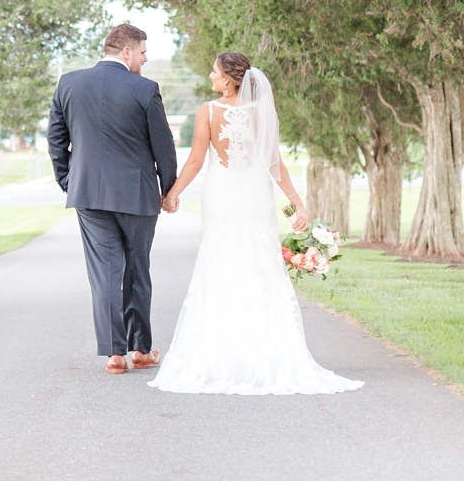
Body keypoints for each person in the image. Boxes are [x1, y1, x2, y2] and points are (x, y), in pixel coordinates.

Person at [149, 51, 363, 395]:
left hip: (221, 196)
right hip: (254, 196)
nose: (210, 75)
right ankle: (265, 353)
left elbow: (195, 161)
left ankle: (221, 356)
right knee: (258, 266)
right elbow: (273, 162)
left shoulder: (208, 111)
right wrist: (297, 203)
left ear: (229, 79)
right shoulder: (261, 114)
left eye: (215, 71)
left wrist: (172, 193)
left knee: (220, 264)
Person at [48, 23, 179, 375]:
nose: (145, 58)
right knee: (137, 270)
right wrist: (168, 190)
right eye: (143, 52)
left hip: (88, 193)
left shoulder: (69, 83)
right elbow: (162, 147)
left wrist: (69, 180)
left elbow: (55, 139)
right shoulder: (145, 89)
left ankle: (114, 355)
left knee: (105, 272)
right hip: (136, 194)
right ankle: (140, 350)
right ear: (126, 52)